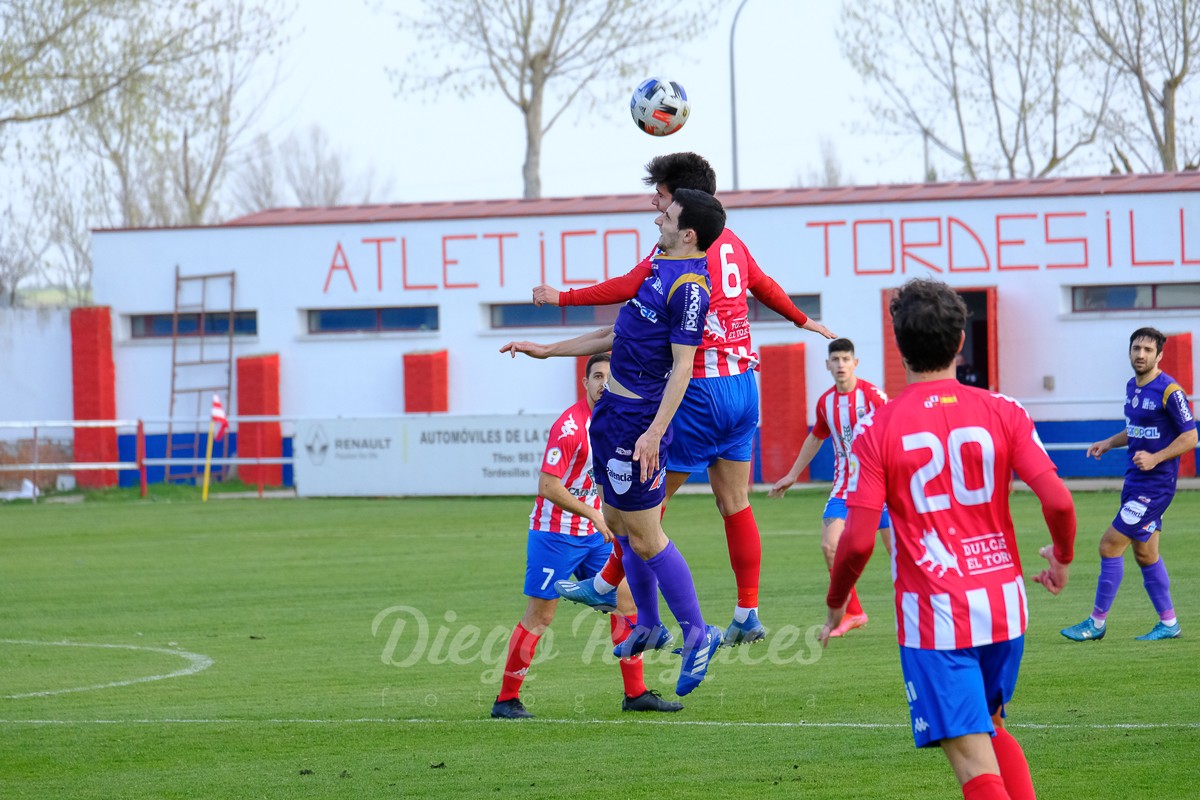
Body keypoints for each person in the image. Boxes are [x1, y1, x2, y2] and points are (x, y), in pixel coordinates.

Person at [537, 152, 836, 647]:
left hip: (698, 388)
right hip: (743, 385)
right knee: (735, 501)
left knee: (644, 509)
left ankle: (620, 595)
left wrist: (563, 298)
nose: (654, 204)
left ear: (680, 202)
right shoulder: (732, 240)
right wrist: (804, 321)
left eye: (660, 195)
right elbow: (764, 286)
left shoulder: (679, 256)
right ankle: (747, 612)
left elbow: (626, 288)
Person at [821, 277, 1076, 800]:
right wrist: (1062, 557)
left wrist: (836, 605)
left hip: (936, 616)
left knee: (972, 758)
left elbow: (859, 540)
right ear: (961, 341)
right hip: (1005, 605)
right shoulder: (1006, 410)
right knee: (992, 725)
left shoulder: (877, 429)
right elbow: (1059, 501)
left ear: (898, 345)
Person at [501, 187, 726, 697]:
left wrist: (654, 432)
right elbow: (615, 333)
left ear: (688, 233)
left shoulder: (690, 288)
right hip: (612, 418)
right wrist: (549, 350)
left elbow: (684, 368)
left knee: (647, 537)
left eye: (668, 216)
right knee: (622, 526)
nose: (659, 220)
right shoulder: (657, 268)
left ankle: (699, 635)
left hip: (638, 422)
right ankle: (649, 622)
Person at [491, 353, 684, 718]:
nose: (603, 383)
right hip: (555, 534)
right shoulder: (570, 427)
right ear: (585, 383)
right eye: (596, 376)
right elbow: (548, 486)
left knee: (627, 602)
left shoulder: (622, 422)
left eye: (609, 377)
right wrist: (594, 513)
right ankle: (506, 700)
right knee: (540, 616)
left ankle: (636, 694)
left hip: (598, 535)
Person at [1060, 327, 1196, 643]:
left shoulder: (1170, 391)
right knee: (1145, 554)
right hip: (1135, 482)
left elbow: (1190, 436)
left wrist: (1156, 457)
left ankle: (1096, 623)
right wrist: (1109, 442)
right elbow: (1135, 429)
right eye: (1136, 348)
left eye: (1148, 350)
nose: (1141, 354)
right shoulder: (1132, 386)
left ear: (1159, 355)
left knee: (1109, 545)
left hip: (1155, 488)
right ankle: (1169, 624)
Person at [768, 338, 891, 637]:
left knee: (901, 557)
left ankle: (926, 613)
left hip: (882, 488)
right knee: (830, 545)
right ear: (827, 365)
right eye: (835, 360)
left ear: (855, 363)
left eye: (846, 359)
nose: (840, 364)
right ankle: (854, 611)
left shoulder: (873, 397)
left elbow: (895, 433)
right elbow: (816, 437)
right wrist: (793, 474)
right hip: (845, 487)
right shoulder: (825, 403)